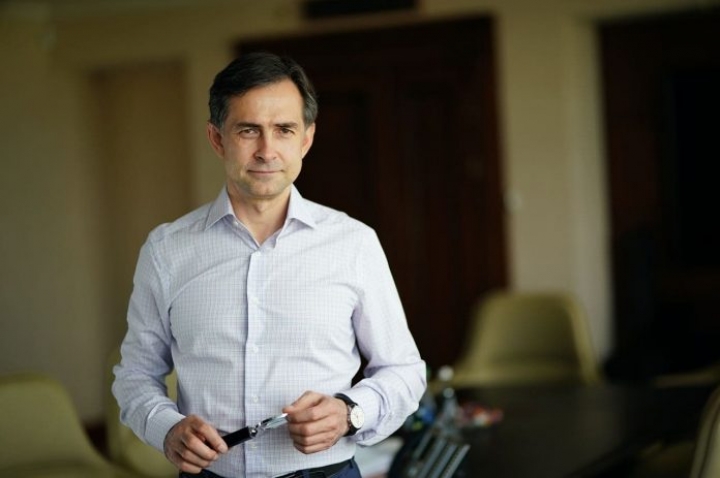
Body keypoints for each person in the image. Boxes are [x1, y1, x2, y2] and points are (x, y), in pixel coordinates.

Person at [112, 51, 427, 478]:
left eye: (284, 130)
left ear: (306, 140)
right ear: (217, 138)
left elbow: (404, 371)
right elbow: (135, 374)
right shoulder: (166, 250)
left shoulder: (354, 244)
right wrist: (166, 428)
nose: (266, 150)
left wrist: (349, 412)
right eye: (248, 131)